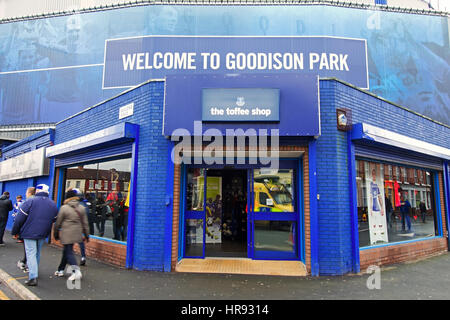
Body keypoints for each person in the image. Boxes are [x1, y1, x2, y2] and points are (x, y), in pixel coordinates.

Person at [11, 184, 58, 286]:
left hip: (29, 232)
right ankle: (34, 271)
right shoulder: (52, 204)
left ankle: (33, 277)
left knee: (31, 253)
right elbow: (55, 219)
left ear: (37, 191)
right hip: (43, 232)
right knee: (37, 253)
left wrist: (15, 231)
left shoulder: (30, 201)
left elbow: (19, 219)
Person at [53, 189, 89, 281]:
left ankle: (76, 271)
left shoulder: (64, 208)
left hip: (67, 234)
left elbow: (58, 223)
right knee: (66, 251)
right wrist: (87, 235)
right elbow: (85, 223)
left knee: (68, 252)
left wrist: (56, 234)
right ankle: (60, 270)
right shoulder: (81, 208)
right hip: (77, 234)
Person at [15, 187, 36, 272]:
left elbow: (20, 219)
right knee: (34, 251)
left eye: (27, 192)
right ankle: (29, 266)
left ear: (30, 193)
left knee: (29, 250)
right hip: (39, 230)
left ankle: (31, 270)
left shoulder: (27, 203)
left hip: (28, 230)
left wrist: (15, 231)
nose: (25, 194)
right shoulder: (40, 203)